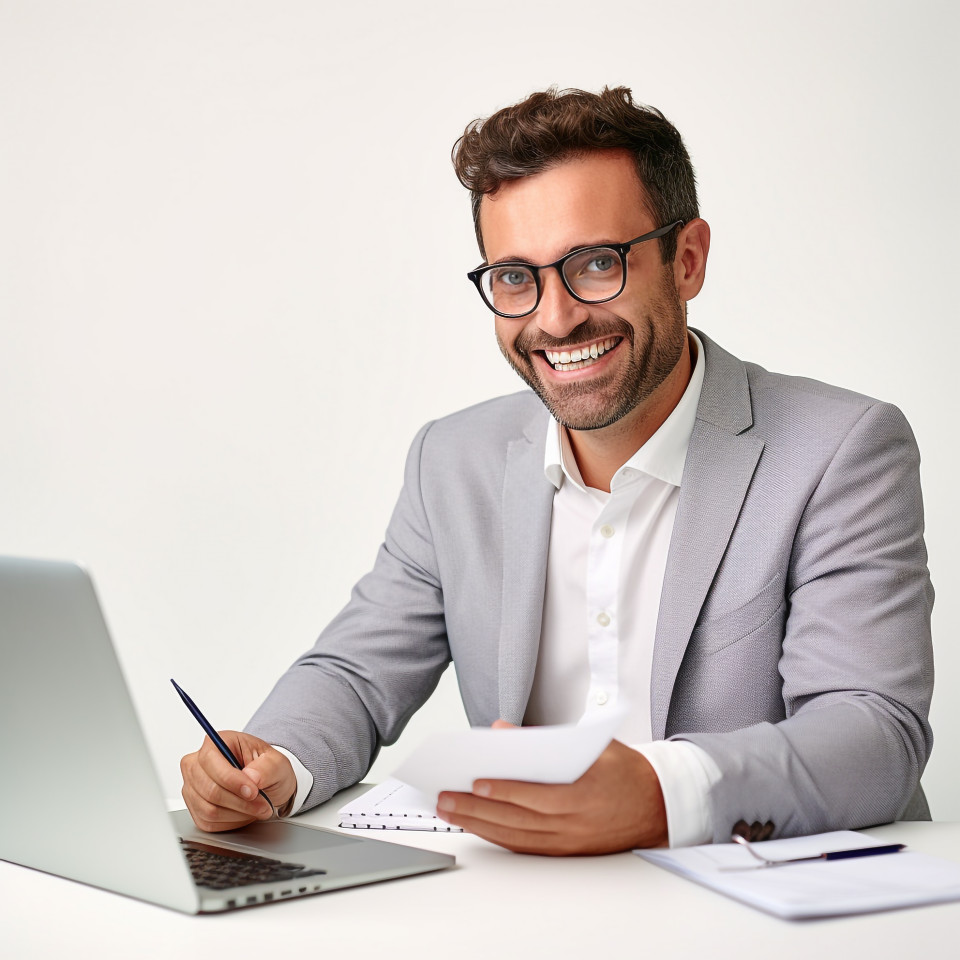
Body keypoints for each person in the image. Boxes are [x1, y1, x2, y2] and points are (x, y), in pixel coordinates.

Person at [180, 86, 934, 854]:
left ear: (689, 260)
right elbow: (355, 673)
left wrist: (657, 795)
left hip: (769, 909)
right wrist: (272, 759)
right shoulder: (453, 460)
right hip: (534, 912)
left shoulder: (839, 448)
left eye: (596, 263)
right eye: (515, 277)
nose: (555, 318)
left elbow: (873, 732)